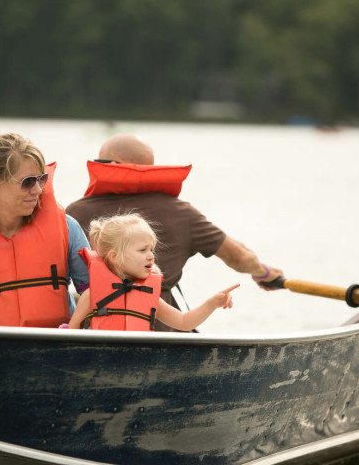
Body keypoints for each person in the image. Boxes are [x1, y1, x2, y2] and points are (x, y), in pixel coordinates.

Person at [66, 133, 284, 332]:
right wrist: (263, 272)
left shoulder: (74, 213)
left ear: (112, 165)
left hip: (101, 329)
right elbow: (239, 256)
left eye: (100, 162)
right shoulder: (182, 213)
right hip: (165, 333)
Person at [0, 133, 90, 327]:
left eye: (41, 179)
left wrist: (73, 331)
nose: (37, 190)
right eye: (28, 182)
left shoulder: (67, 227)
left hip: (59, 347)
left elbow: (96, 294)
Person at [68, 214, 238, 331]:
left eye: (152, 250)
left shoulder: (149, 296)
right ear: (114, 256)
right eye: (142, 250)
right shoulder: (91, 296)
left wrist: (212, 303)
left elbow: (184, 322)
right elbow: (71, 334)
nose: (151, 256)